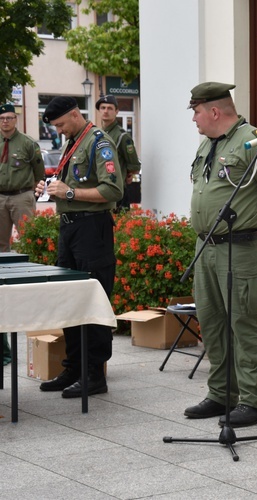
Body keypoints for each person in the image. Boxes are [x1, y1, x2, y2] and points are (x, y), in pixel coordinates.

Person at [183, 82, 257, 428]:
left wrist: (256, 223)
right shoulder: (208, 145)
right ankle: (221, 394)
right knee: (213, 324)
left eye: (196, 111)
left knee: (245, 324)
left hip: (241, 250)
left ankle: (253, 402)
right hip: (206, 248)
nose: (194, 119)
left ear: (214, 111)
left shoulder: (256, 144)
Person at [33, 96, 123, 398]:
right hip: (70, 228)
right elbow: (68, 186)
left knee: (92, 298)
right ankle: (73, 367)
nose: (58, 130)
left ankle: (94, 374)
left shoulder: (99, 142)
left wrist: (69, 192)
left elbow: (113, 189)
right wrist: (49, 190)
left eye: (60, 124)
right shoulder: (74, 141)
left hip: (92, 229)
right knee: (69, 298)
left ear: (74, 115)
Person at [0, 103, 45, 252]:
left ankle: (30, 272)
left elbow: (39, 171)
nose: (5, 121)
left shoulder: (28, 143)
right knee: (1, 243)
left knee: (29, 239)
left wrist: (32, 192)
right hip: (0, 198)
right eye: (1, 118)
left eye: (9, 118)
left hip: (22, 197)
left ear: (15, 119)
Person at [95, 95, 141, 211]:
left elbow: (134, 166)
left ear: (116, 111)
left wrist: (126, 174)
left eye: (110, 108)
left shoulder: (122, 136)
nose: (106, 111)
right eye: (103, 108)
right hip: (100, 190)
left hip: (117, 191)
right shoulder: (97, 134)